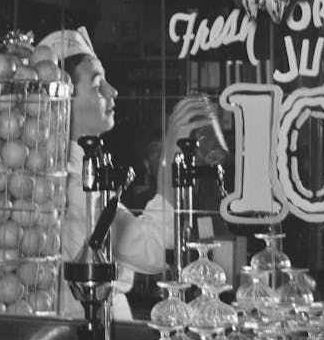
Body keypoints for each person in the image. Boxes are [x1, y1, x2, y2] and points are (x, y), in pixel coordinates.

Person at [38, 27, 213, 320]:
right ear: (64, 100)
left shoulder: (78, 165)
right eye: (97, 84)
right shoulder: (69, 179)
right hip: (88, 327)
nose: (112, 91)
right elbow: (152, 250)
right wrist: (169, 157)